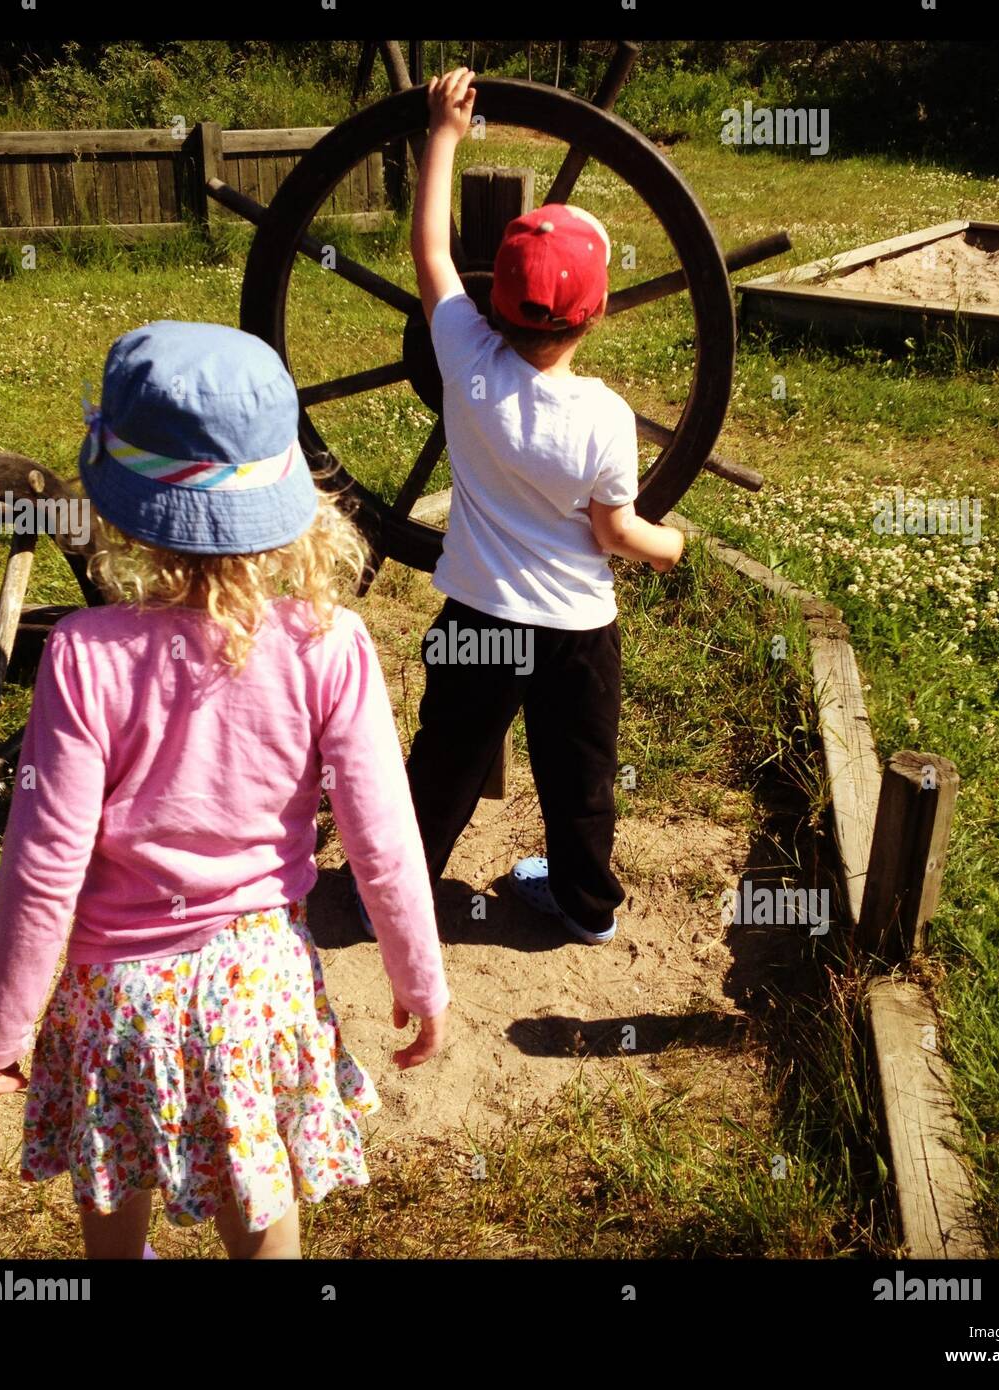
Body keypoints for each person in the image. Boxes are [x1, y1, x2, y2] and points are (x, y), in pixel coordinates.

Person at [0, 320, 449, 1259]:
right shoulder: (331, 646)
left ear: (117, 504)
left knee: (113, 1195)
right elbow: (383, 835)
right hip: (258, 991)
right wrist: (418, 978)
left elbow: (42, 863)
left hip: (118, 996)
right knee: (260, 1204)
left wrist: (3, 1020)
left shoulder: (83, 656)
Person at [405, 67, 687, 945]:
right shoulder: (603, 416)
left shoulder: (463, 359)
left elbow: (430, 254)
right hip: (574, 635)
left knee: (445, 760)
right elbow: (614, 531)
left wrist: (444, 136)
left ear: (495, 300)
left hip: (479, 614)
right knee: (580, 775)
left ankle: (404, 886)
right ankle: (585, 907)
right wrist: (668, 546)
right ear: (595, 315)